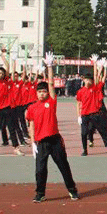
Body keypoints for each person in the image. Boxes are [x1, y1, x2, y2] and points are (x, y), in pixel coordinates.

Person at [26, 52, 80, 203]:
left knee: (64, 166)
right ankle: (40, 193)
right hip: (41, 142)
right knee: (40, 170)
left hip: (55, 140)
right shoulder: (32, 108)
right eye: (40, 92)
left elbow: (50, 84)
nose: (42, 94)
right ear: (36, 93)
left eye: (44, 92)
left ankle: (72, 190)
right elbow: (31, 124)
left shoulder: (52, 102)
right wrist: (32, 143)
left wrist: (49, 66)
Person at [77, 55, 107, 156]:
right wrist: (78, 116)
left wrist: (96, 64)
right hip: (85, 115)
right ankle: (85, 150)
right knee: (83, 133)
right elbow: (78, 104)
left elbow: (97, 75)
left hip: (96, 114)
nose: (88, 81)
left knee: (103, 132)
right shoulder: (80, 91)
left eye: (90, 80)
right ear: (83, 80)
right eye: (86, 80)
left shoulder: (95, 88)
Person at [0, 49, 23, 156]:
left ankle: (16, 148)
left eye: (2, 73)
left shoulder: (6, 81)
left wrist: (3, 56)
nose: (1, 74)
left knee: (11, 128)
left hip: (7, 108)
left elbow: (7, 66)